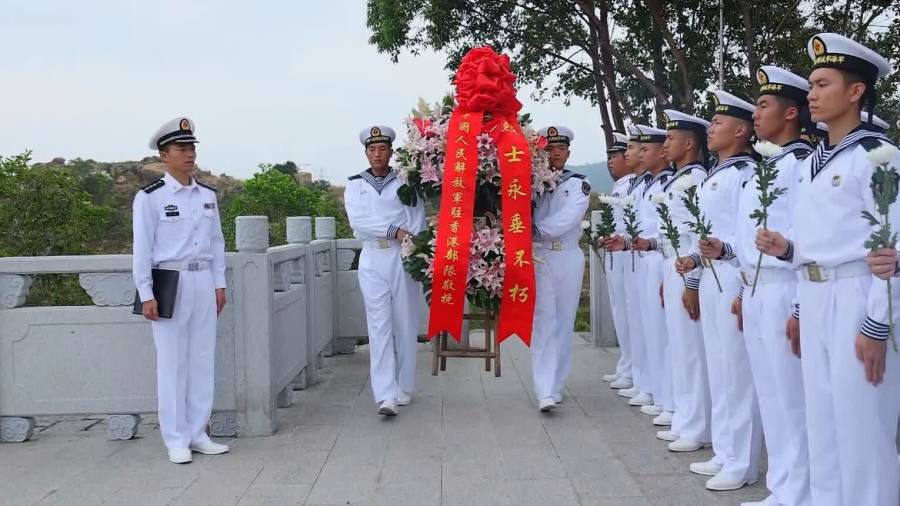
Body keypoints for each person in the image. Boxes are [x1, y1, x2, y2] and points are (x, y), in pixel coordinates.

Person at [756, 33, 900, 506]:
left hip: (857, 297)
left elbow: (890, 248)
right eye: (811, 84)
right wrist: (787, 249)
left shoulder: (877, 156)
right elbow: (822, 241)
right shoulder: (813, 162)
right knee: (823, 423)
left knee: (862, 428)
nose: (811, 94)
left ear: (856, 91)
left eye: (822, 83)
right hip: (816, 296)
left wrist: (877, 324)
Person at [676, 90, 763, 491]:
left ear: (741, 130)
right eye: (710, 122)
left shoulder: (747, 173)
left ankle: (741, 462)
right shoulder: (717, 175)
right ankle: (726, 450)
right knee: (720, 366)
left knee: (737, 370)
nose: (711, 128)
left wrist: (741, 282)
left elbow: (744, 235)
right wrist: (693, 264)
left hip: (732, 274)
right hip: (711, 270)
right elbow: (701, 233)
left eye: (718, 123)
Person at [735, 65, 814, 506]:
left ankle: (798, 491)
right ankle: (782, 487)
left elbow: (808, 237)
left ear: (789, 113)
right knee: (771, 393)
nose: (756, 114)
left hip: (787, 284)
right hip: (758, 286)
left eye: (763, 105)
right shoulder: (769, 164)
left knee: (791, 397)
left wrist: (800, 306)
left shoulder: (801, 164)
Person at [133, 117, 229, 464]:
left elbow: (217, 243)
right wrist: (146, 293)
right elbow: (142, 249)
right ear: (164, 155)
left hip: (202, 279)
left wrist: (220, 283)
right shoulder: (150, 198)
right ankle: (175, 438)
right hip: (169, 281)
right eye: (181, 149)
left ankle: (198, 432)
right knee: (172, 363)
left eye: (191, 148)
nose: (189, 155)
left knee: (202, 360)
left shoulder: (206, 195)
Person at [344, 125, 425, 416]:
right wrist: (394, 230)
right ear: (365, 152)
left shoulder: (405, 182)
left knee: (405, 322)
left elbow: (417, 221)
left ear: (391, 151)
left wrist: (415, 251)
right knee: (379, 326)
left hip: (401, 256)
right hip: (372, 256)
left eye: (382, 149)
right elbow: (358, 222)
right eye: (372, 149)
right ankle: (385, 394)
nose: (377, 154)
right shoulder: (355, 184)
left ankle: (404, 387)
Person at [655, 110, 712, 453]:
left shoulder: (696, 179)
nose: (666, 145)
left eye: (671, 139)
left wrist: (692, 283)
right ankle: (687, 418)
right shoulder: (680, 178)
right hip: (673, 263)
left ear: (689, 143)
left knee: (691, 351)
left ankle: (698, 425)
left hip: (689, 266)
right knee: (680, 347)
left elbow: (697, 231)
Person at [531, 125, 590, 411]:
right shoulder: (532, 183)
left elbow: (567, 220)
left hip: (567, 255)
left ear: (568, 152)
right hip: (540, 257)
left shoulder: (579, 184)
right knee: (543, 321)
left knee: (564, 321)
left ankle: (556, 383)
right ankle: (543, 388)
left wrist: (533, 231)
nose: (555, 154)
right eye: (549, 149)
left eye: (560, 149)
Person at [625, 125, 675, 425]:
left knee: (663, 334)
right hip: (645, 257)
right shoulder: (647, 184)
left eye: (646, 149)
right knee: (648, 328)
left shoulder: (667, 183)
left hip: (662, 258)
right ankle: (654, 388)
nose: (641, 154)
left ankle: (666, 397)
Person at [612, 125, 654, 406]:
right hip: (631, 252)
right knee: (633, 317)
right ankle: (641, 378)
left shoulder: (656, 183)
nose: (629, 153)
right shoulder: (633, 184)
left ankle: (650, 386)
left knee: (650, 327)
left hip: (653, 257)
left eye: (634, 147)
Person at [600, 131, 636, 391]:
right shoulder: (621, 185)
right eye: (609, 157)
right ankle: (626, 364)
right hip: (618, 252)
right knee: (620, 310)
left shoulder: (633, 183)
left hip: (630, 253)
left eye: (616, 156)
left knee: (629, 311)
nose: (611, 162)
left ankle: (633, 369)